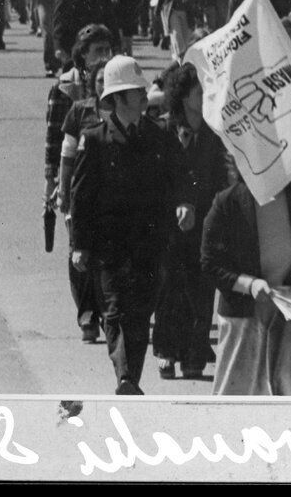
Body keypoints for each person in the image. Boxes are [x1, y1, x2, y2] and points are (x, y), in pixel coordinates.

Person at [69, 55, 186, 395]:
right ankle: (125, 376)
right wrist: (80, 245)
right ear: (118, 99)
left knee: (140, 311)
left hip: (150, 242)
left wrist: (185, 203)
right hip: (111, 245)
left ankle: (129, 376)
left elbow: (179, 177)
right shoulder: (95, 139)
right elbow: (81, 197)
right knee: (116, 309)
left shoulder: (160, 135)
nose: (142, 97)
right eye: (135, 92)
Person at [201, 160, 291, 396]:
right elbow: (210, 261)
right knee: (239, 403)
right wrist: (249, 285)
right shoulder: (227, 202)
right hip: (244, 318)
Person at [151, 61, 230, 381]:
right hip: (170, 225)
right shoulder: (163, 130)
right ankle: (166, 352)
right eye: (200, 92)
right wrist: (178, 206)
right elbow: (157, 181)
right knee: (170, 287)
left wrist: (200, 207)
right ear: (184, 97)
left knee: (202, 289)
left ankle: (195, 354)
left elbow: (219, 179)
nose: (206, 96)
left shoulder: (214, 134)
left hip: (204, 223)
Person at [54, 25, 116, 343]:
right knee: (80, 253)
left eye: (108, 50)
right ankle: (87, 315)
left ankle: (107, 312)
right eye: (100, 78)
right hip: (81, 195)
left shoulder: (123, 109)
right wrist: (61, 192)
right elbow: (64, 155)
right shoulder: (79, 111)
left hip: (114, 195)